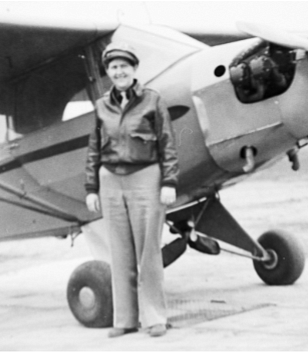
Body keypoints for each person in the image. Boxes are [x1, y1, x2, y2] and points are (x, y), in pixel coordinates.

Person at [84, 42, 179, 338]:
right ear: (108, 72)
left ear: (134, 69)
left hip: (145, 177)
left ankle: (154, 318)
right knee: (120, 251)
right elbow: (93, 149)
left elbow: (168, 143)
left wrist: (169, 182)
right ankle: (124, 320)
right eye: (113, 66)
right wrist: (91, 188)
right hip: (110, 180)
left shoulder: (152, 100)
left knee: (148, 250)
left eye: (124, 65)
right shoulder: (101, 106)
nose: (119, 71)